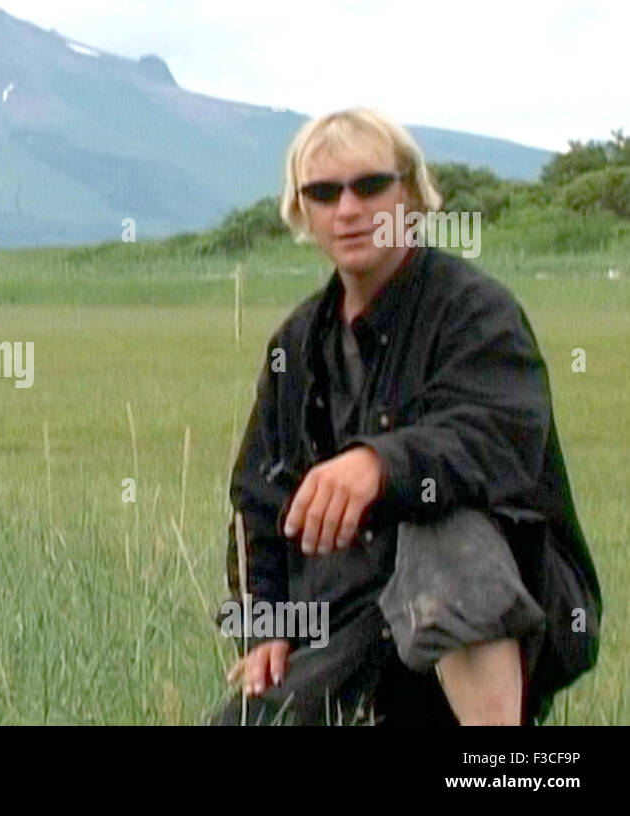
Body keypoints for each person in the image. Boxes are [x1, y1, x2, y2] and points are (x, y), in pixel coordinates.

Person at [212, 108, 601, 726]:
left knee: (443, 527)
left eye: (370, 185)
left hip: (498, 605)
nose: (348, 208)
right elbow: (257, 501)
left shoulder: (476, 313)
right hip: (347, 618)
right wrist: (267, 627)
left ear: (413, 195)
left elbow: (496, 437)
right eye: (324, 192)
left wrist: (379, 466)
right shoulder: (296, 342)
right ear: (301, 211)